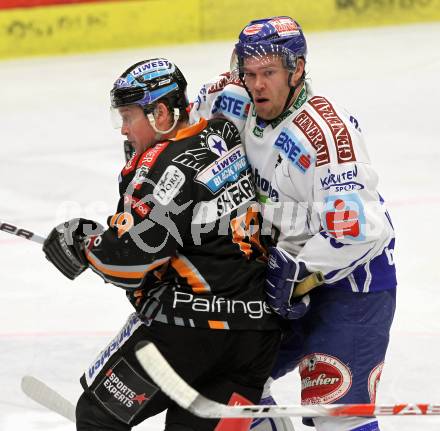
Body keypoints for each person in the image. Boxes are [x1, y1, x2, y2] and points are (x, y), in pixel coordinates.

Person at [41, 57, 286, 431]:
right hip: (256, 339)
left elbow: (129, 261)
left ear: (159, 113)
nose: (123, 130)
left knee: (97, 416)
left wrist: (83, 241)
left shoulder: (162, 167)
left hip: (191, 336)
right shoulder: (223, 132)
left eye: (128, 116)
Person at [190, 16, 397, 431]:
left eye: (268, 73)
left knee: (335, 418)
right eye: (249, 74)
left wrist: (299, 272)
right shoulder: (231, 97)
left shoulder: (323, 136)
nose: (257, 85)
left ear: (296, 69)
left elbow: (359, 231)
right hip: (281, 274)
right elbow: (184, 138)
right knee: (236, 389)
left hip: (352, 285)